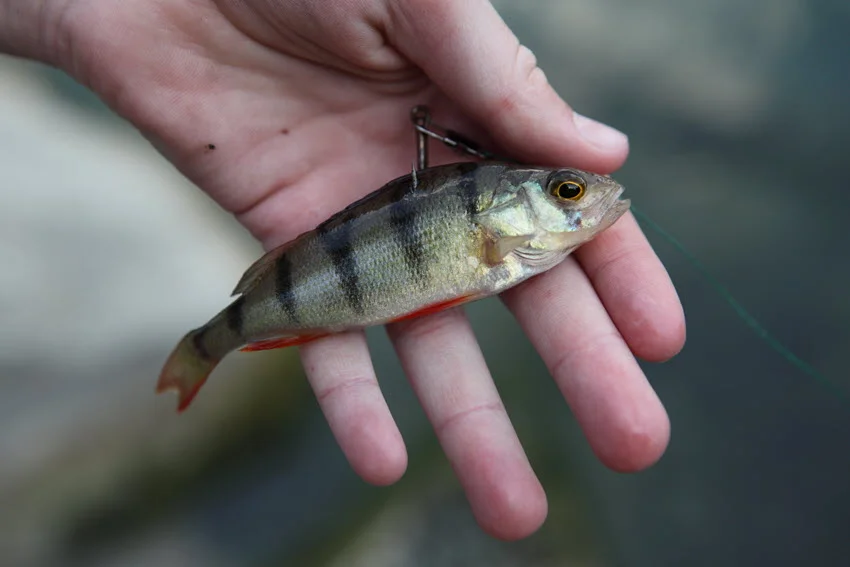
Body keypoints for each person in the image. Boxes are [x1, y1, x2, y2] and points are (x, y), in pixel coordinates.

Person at [1, 0, 685, 540]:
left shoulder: (501, 239)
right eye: (568, 193)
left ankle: (213, 342)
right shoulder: (492, 242)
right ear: (508, 212)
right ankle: (211, 342)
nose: (589, 198)